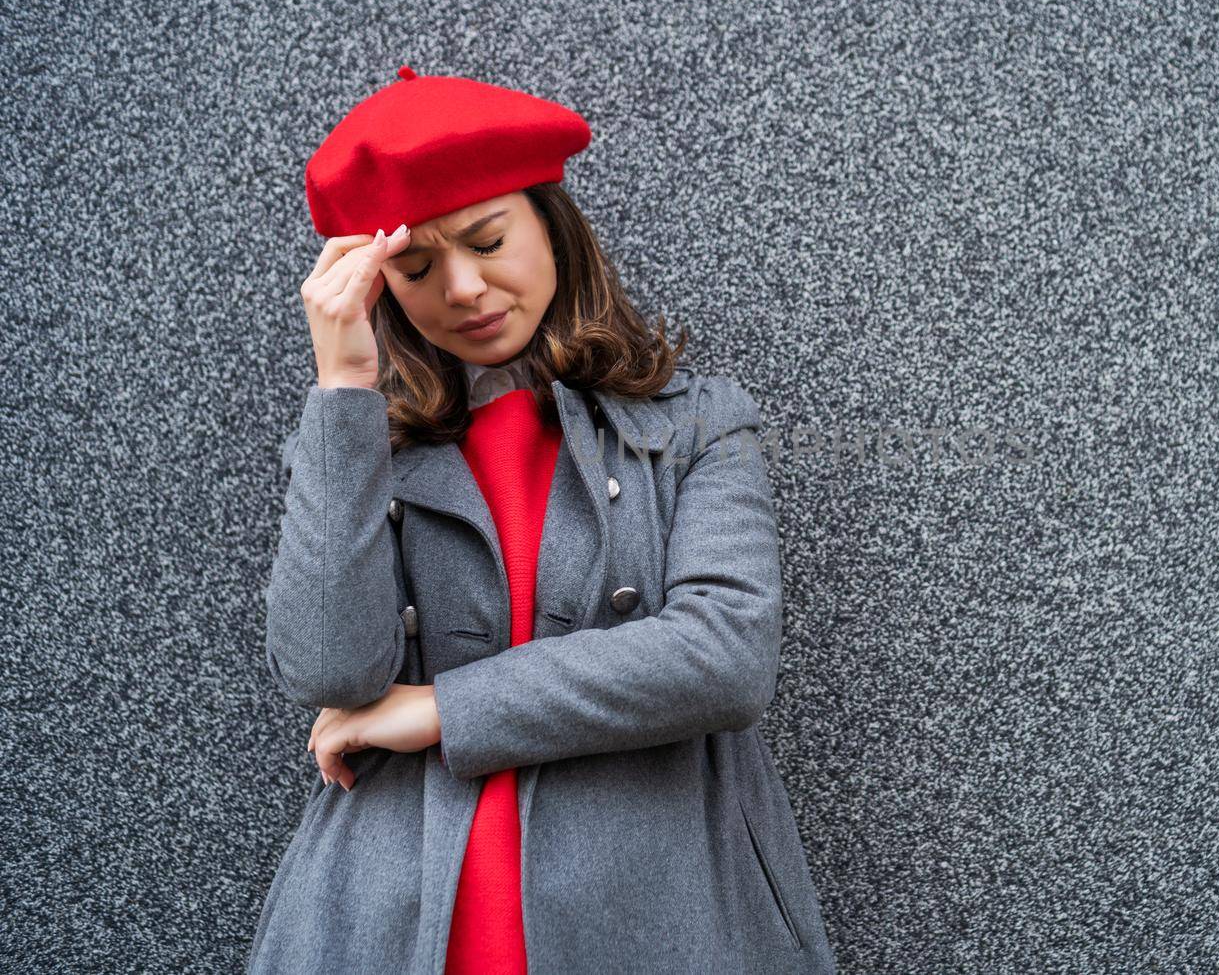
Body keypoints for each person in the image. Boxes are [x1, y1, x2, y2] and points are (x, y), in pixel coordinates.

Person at [247, 66, 837, 975]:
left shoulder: (697, 422)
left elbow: (725, 657)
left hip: (661, 914)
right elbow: (330, 669)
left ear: (553, 226)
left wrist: (444, 707)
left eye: (488, 240)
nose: (464, 287)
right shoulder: (358, 446)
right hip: (396, 920)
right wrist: (343, 392)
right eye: (415, 267)